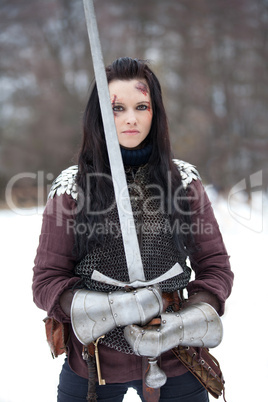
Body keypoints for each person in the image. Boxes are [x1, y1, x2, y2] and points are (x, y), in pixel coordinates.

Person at [32, 57, 234, 402]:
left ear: (155, 112)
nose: (130, 119)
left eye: (142, 106)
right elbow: (47, 282)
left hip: (176, 357)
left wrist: (182, 323)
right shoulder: (73, 188)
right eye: (117, 108)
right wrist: (115, 309)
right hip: (93, 363)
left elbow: (216, 268)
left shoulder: (183, 183)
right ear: (99, 116)